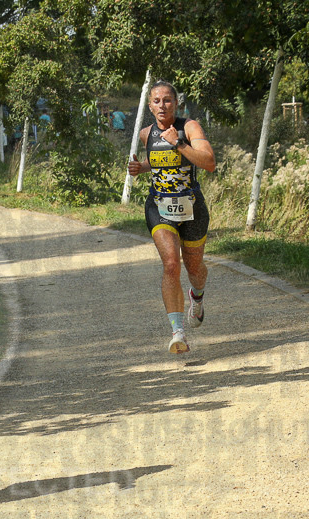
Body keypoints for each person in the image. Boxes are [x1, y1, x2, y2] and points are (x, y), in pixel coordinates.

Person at [128, 80, 216, 354]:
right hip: (159, 206)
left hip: (192, 208)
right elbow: (158, 162)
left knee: (194, 268)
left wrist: (179, 143)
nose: (162, 105)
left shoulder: (189, 127)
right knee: (170, 265)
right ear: (150, 105)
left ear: (176, 103)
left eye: (168, 100)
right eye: (157, 100)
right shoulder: (146, 134)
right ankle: (178, 332)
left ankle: (197, 297)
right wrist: (139, 167)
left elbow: (209, 162)